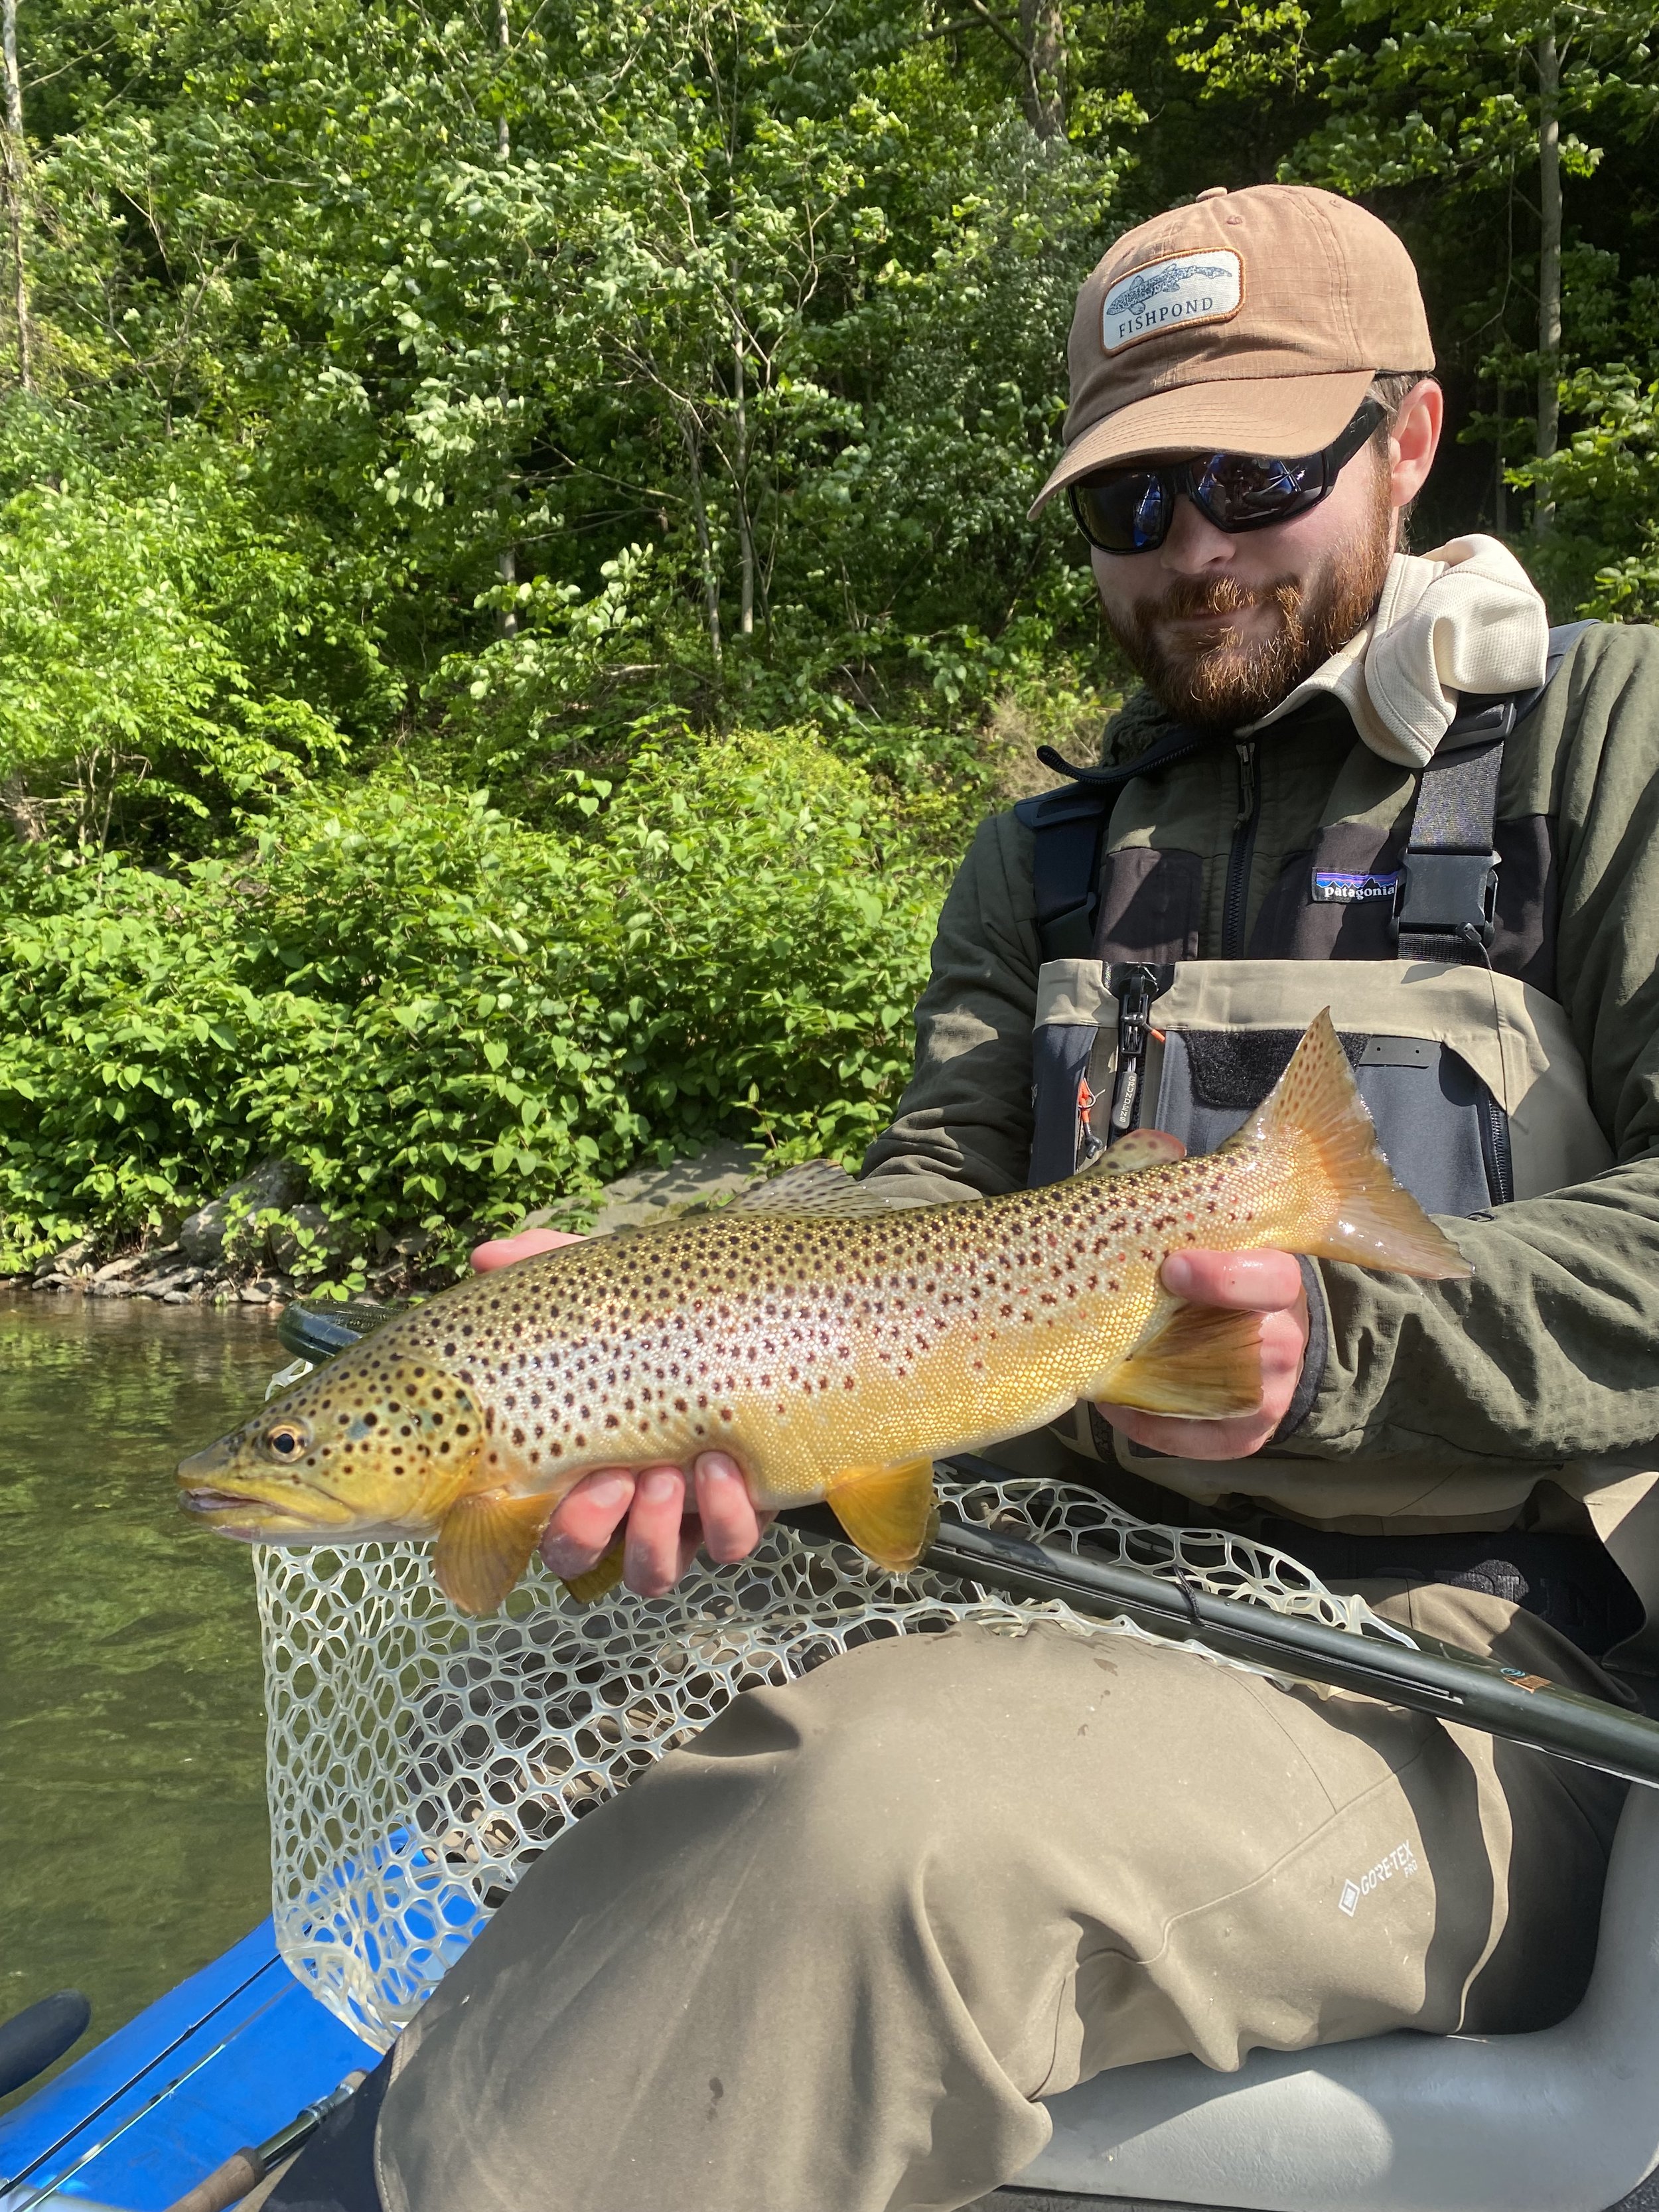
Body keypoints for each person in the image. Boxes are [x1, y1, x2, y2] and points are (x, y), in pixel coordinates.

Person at [268, 183, 1659, 2212]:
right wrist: (670, 1301)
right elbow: (934, 1203)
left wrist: (1318, 1336)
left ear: (1408, 437)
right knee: (516, 1694)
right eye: (1128, 504)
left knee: (862, 1829)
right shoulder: (1051, 854)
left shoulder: (1611, 743)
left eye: (1252, 475)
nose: (1189, 549)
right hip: (1075, 1573)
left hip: (1472, 1666)